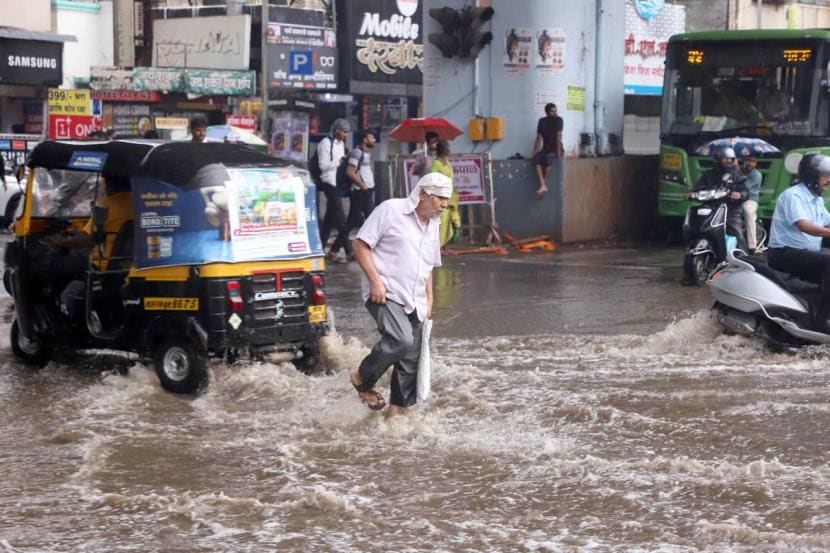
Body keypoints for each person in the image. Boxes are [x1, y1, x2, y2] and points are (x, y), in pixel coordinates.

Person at [349, 172, 452, 416]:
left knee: (409, 362)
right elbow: (360, 244)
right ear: (424, 194)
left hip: (415, 299)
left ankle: (394, 419)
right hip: (385, 293)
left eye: (447, 200)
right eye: (441, 199)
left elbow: (428, 267)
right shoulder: (390, 210)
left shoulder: (433, 225)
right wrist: (375, 282)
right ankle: (362, 378)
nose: (445, 205)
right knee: (400, 340)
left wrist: (429, 300)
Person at [46, 175, 134, 323]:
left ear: (109, 183)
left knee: (54, 263)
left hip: (102, 265)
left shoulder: (107, 206)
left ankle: (62, 314)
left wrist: (60, 241)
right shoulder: (139, 203)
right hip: (127, 264)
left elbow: (86, 240)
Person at [767, 153, 830, 333]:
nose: (829, 180)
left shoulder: (816, 199)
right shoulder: (793, 196)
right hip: (784, 253)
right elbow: (804, 226)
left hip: (805, 253)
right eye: (825, 175)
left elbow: (827, 221)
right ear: (812, 175)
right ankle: (822, 320)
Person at [688, 146, 748, 251]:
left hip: (730, 210)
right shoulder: (708, 175)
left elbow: (745, 191)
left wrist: (739, 195)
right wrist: (691, 193)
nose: (728, 161)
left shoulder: (737, 175)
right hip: (711, 208)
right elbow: (698, 187)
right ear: (718, 159)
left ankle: (742, 256)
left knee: (736, 232)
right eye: (725, 158)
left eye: (731, 159)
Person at [334, 130, 377, 262]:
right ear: (365, 139)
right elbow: (349, 172)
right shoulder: (357, 152)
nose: (374, 139)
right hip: (359, 192)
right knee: (359, 221)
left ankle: (336, 250)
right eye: (371, 137)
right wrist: (362, 185)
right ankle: (336, 250)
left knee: (368, 220)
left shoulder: (365, 153)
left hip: (365, 191)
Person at [316, 118, 350, 261]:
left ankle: (320, 248)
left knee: (329, 218)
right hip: (328, 182)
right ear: (337, 131)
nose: (346, 135)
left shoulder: (341, 144)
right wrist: (339, 162)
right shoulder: (325, 143)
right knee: (341, 218)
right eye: (344, 132)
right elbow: (323, 165)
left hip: (337, 183)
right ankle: (349, 250)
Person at [430, 140, 461, 247]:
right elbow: (433, 180)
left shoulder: (447, 162)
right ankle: (438, 248)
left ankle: (444, 246)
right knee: (441, 222)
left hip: (450, 195)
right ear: (443, 150)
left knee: (448, 222)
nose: (450, 150)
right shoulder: (436, 163)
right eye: (448, 148)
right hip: (441, 195)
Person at [532, 103, 563, 196]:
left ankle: (543, 185)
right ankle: (543, 185)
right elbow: (538, 138)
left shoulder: (559, 120)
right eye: (552, 111)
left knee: (548, 161)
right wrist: (534, 153)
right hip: (545, 148)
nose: (555, 113)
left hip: (556, 148)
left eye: (556, 111)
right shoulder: (542, 121)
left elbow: (558, 137)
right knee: (536, 161)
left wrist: (558, 153)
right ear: (547, 112)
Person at [740, 154, 763, 253]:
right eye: (748, 160)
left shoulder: (756, 175)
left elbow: (742, 188)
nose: (750, 164)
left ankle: (752, 246)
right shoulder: (737, 171)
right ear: (743, 161)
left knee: (748, 211)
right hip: (733, 199)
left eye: (754, 161)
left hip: (749, 200)